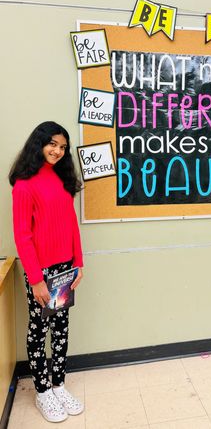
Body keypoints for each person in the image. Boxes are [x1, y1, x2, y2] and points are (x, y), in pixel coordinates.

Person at [9, 121, 84, 423]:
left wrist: (79, 261)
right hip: (40, 271)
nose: (57, 150)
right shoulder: (24, 184)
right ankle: (42, 392)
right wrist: (36, 279)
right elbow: (22, 236)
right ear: (39, 142)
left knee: (62, 327)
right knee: (39, 330)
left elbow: (70, 224)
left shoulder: (63, 180)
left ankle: (58, 384)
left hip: (65, 268)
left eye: (63, 147)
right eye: (52, 143)